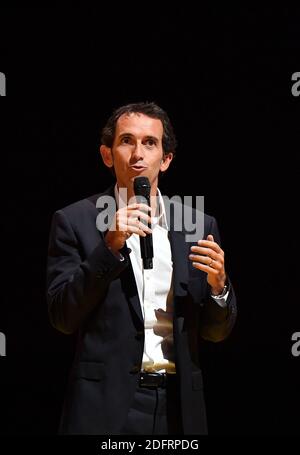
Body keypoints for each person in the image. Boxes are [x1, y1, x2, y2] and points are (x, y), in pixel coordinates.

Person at [46, 102, 237, 435]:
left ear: (166, 159)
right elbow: (63, 316)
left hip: (178, 408)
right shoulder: (74, 221)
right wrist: (109, 248)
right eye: (126, 141)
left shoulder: (197, 224)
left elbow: (214, 333)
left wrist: (219, 287)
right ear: (107, 155)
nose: (138, 153)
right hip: (105, 407)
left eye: (150, 143)